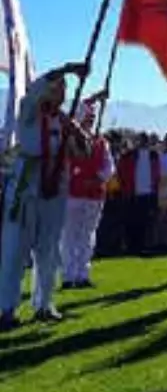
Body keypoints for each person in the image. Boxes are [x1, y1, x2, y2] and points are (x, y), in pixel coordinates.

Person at [0, 62, 89, 328]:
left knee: (49, 250)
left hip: (55, 189)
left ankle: (44, 304)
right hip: (27, 187)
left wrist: (78, 134)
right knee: (16, 247)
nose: (61, 92)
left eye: (64, 88)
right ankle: (6, 308)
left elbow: (81, 153)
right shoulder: (29, 110)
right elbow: (37, 86)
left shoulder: (63, 121)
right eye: (57, 86)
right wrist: (69, 68)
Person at [61, 94, 114, 289]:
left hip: (94, 195)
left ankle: (82, 274)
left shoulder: (101, 141)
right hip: (73, 194)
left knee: (87, 235)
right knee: (69, 236)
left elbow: (109, 167)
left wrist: (97, 178)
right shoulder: (69, 141)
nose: (90, 120)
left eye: (92, 118)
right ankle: (68, 275)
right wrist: (96, 97)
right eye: (87, 117)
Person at [117, 132, 161, 255]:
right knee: (131, 222)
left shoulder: (154, 155)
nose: (143, 142)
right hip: (131, 193)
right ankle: (131, 247)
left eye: (145, 140)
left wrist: (155, 190)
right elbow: (121, 173)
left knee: (145, 222)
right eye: (141, 140)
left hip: (148, 193)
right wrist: (124, 188)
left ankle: (142, 247)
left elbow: (158, 174)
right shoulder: (128, 156)